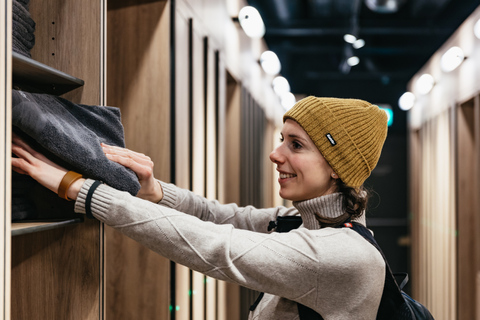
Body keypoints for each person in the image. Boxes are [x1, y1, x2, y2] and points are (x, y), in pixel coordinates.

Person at [12, 96, 388, 319]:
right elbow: (219, 216)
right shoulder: (302, 222)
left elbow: (214, 245)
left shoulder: (340, 255)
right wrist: (154, 190)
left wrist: (78, 187)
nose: (276, 154)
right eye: (281, 140)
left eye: (296, 145)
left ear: (339, 168)